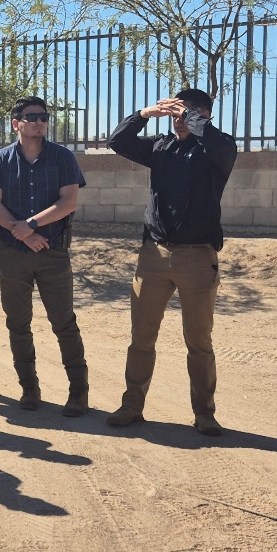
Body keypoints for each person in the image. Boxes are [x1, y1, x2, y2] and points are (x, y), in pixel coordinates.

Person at [105, 88, 238, 437]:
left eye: (189, 111)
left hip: (197, 257)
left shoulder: (217, 148)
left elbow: (219, 147)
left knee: (199, 340)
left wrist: (189, 117)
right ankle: (132, 405)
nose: (178, 118)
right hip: (154, 255)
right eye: (176, 110)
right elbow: (117, 141)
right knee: (141, 337)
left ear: (205, 114)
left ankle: (204, 413)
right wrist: (145, 114)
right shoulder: (160, 147)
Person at [0, 96, 89, 415]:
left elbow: (68, 202)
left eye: (44, 117)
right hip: (12, 253)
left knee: (64, 323)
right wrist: (25, 234)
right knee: (18, 323)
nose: (40, 122)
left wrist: (31, 225)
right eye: (32, 117)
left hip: (52, 251)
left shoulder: (63, 158)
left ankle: (78, 393)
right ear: (16, 123)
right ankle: (29, 388)